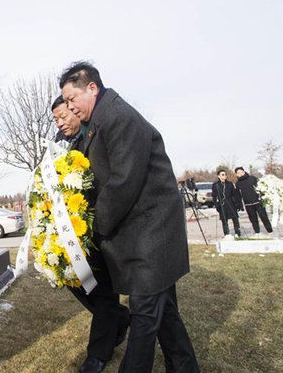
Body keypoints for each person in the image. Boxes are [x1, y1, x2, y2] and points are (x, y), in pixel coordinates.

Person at [60, 61, 199, 373]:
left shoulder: (118, 117)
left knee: (145, 316)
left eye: (71, 99)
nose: (69, 107)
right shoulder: (100, 120)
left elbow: (123, 181)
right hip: (141, 231)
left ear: (92, 87)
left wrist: (94, 227)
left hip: (152, 231)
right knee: (163, 312)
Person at [52, 96, 130, 373]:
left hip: (100, 226)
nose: (60, 123)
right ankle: (119, 319)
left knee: (103, 292)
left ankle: (97, 355)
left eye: (64, 115)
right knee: (79, 284)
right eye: (56, 120)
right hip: (74, 229)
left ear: (77, 111)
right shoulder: (60, 146)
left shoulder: (95, 136)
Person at [234, 167, 273, 234]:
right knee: (253, 220)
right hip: (248, 204)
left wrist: (263, 198)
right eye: (238, 173)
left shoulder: (252, 178)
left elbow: (261, 188)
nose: (240, 174)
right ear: (236, 175)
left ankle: (270, 231)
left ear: (244, 172)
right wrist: (239, 204)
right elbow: (238, 195)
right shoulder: (238, 183)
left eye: (241, 172)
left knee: (264, 217)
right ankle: (257, 232)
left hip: (258, 202)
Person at [211, 169, 242, 237]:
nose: (224, 176)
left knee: (235, 218)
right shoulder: (215, 185)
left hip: (230, 203)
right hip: (222, 204)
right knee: (224, 220)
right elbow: (214, 196)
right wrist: (216, 205)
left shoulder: (229, 184)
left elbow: (234, 194)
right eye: (223, 175)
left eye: (225, 174)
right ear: (219, 176)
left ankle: (237, 233)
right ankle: (227, 234)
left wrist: (237, 203)